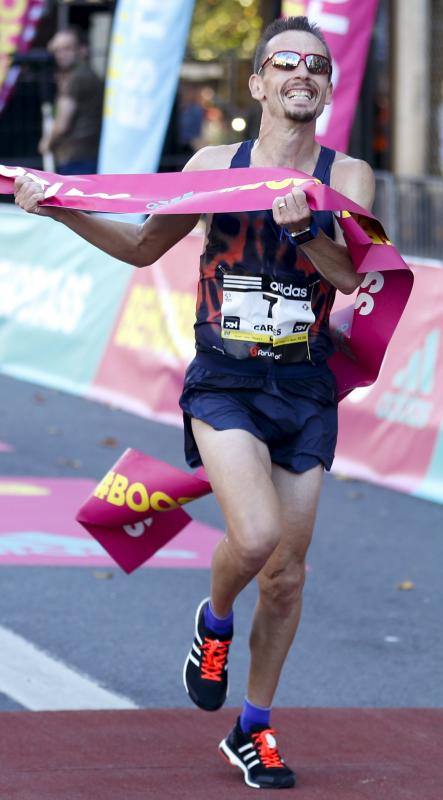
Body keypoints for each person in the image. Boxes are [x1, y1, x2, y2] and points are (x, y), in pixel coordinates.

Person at [14, 15, 375, 791]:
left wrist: (309, 225)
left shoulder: (348, 178)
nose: (300, 73)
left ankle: (253, 727)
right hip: (226, 378)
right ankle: (212, 624)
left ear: (327, 83)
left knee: (286, 575)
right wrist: (62, 207)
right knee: (253, 539)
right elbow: (145, 245)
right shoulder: (215, 163)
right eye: (283, 63)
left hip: (306, 384)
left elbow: (351, 280)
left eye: (314, 64)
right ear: (258, 84)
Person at [38, 27, 103, 175]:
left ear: (82, 49)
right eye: (57, 50)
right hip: (84, 154)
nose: (61, 54)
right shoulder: (86, 73)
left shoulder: (76, 77)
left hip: (76, 157)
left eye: (67, 48)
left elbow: (62, 125)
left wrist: (47, 143)